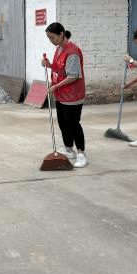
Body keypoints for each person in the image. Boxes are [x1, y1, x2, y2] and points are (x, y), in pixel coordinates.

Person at [41, 22, 87, 168]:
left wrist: (55, 86)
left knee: (73, 125)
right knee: (63, 123)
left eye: (53, 38)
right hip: (61, 95)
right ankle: (69, 149)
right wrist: (49, 64)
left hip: (72, 96)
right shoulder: (59, 48)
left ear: (61, 34)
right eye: (49, 39)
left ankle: (81, 154)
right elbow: (60, 69)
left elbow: (73, 76)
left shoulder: (72, 51)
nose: (51, 41)